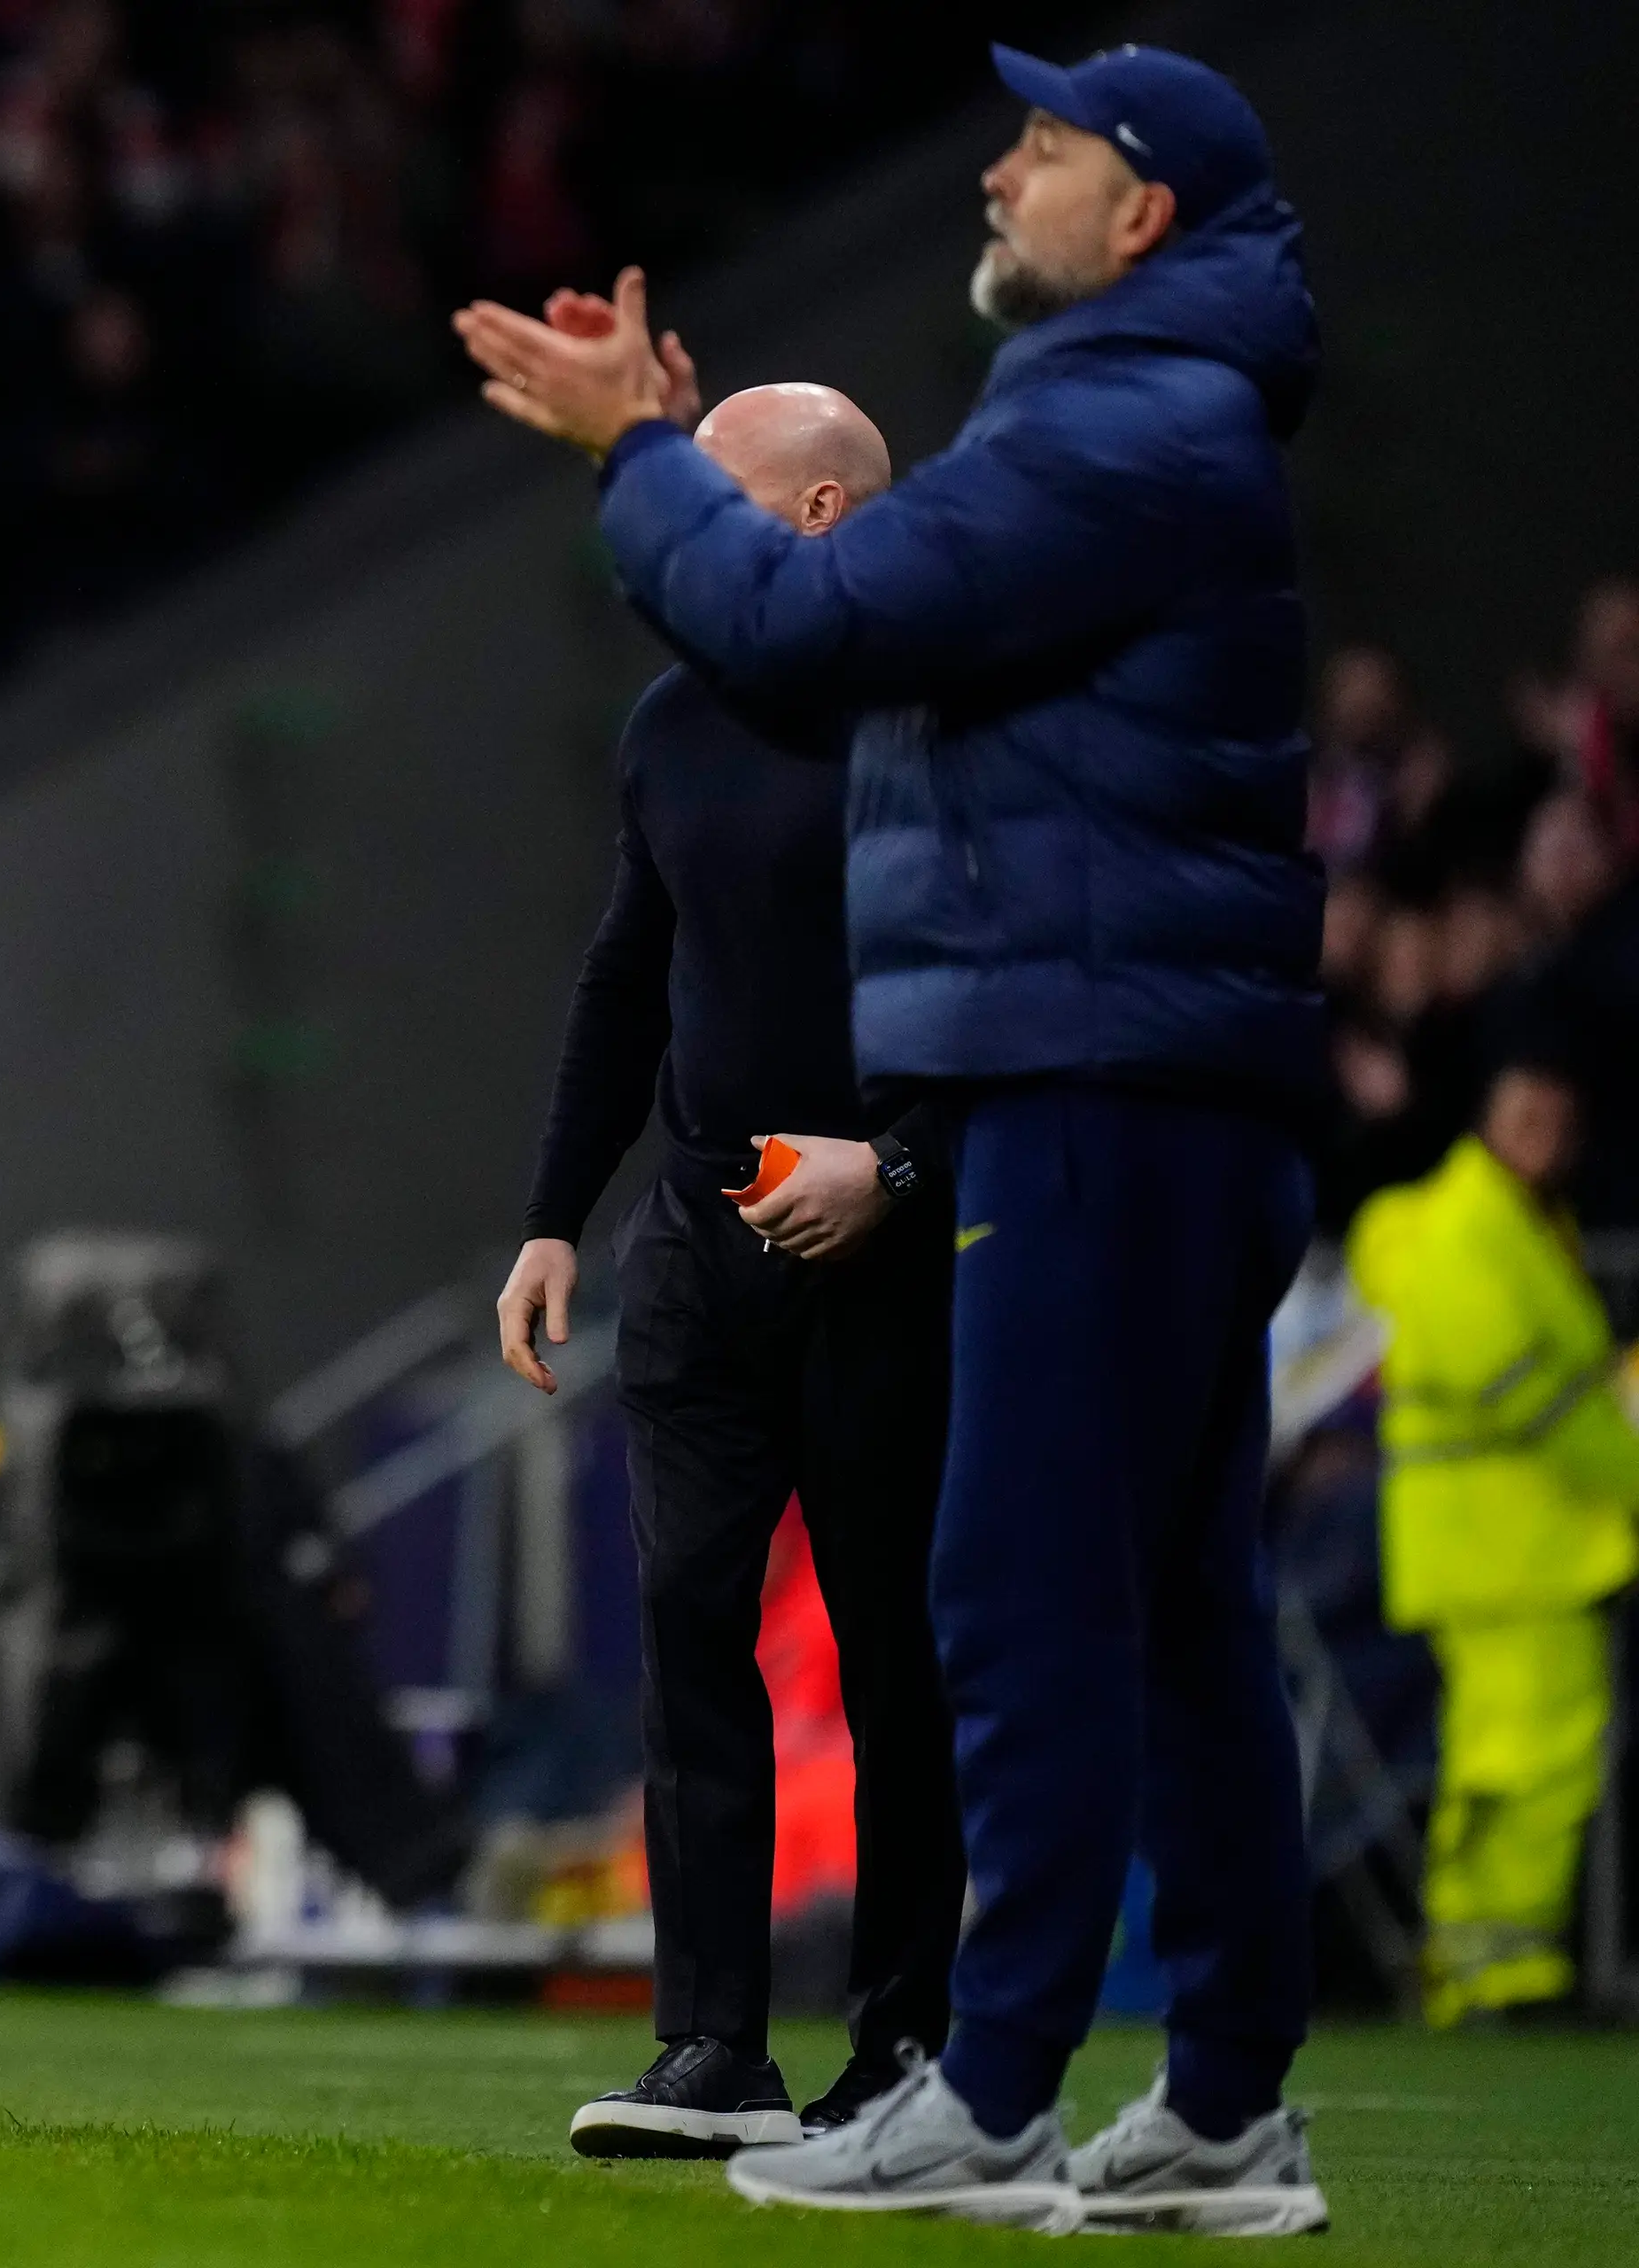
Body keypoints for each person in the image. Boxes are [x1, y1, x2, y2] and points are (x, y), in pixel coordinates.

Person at [458, 42, 1333, 2236]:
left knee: (1016, 1589)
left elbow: (806, 615)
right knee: (1173, 1607)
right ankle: (1221, 2097)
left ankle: (992, 2082)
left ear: (1132, 213)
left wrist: (641, 454)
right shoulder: (1138, 406)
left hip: (1085, 1069)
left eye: (1038, 146)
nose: (992, 166)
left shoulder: (1122, 416)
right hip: (1143, 1067)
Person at [496, 380, 962, 2156]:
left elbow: (1007, 1023)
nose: (681, 553)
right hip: (699, 1241)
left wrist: (898, 1168)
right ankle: (713, 2048)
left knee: (894, 1651)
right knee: (691, 1632)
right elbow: (630, 972)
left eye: (723, 508)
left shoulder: (940, 723)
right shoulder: (674, 723)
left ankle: (911, 2054)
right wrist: (553, 1212)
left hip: (886, 1246)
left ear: (827, 516)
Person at [1348, 1053, 1639, 2025]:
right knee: (1531, 1765)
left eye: (1557, 1120)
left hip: (1497, 1545)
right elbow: (1546, 1402)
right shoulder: (1476, 1228)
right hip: (1514, 1546)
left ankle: (1473, 1967)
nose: (1544, 1139)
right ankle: (1501, 1974)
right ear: (1488, 1116)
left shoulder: (1492, 1221)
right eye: (1527, 1115)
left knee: (1498, 1763)